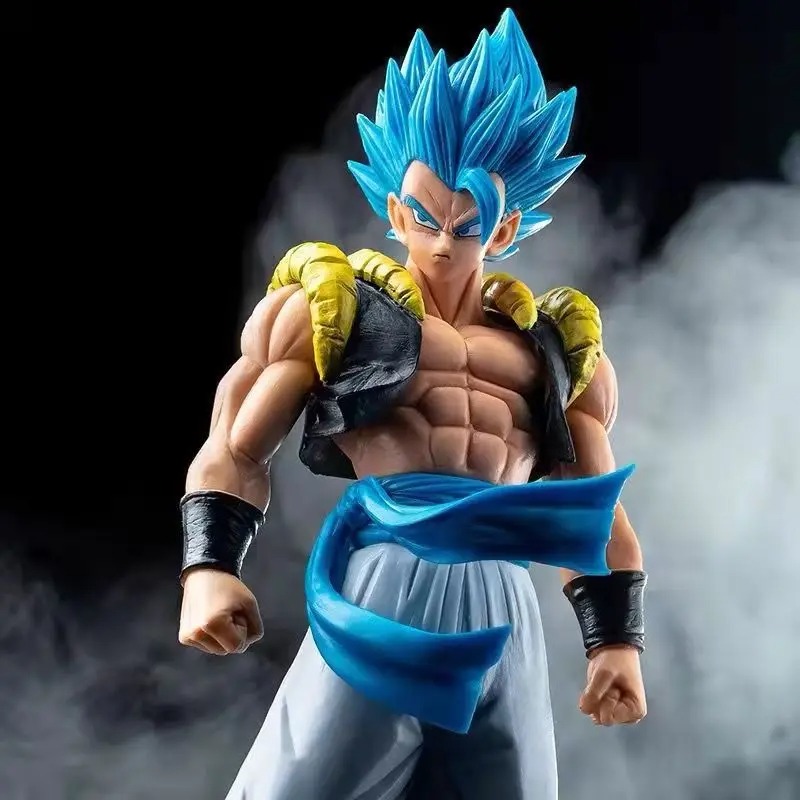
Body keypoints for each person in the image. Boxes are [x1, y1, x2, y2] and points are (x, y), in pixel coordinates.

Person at [178, 9, 648, 799]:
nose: (438, 241)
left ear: (502, 228)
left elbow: (592, 508)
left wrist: (615, 641)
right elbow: (235, 441)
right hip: (391, 574)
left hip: (502, 596)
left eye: (464, 225)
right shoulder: (334, 307)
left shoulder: (553, 349)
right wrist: (208, 567)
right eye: (423, 216)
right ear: (396, 211)